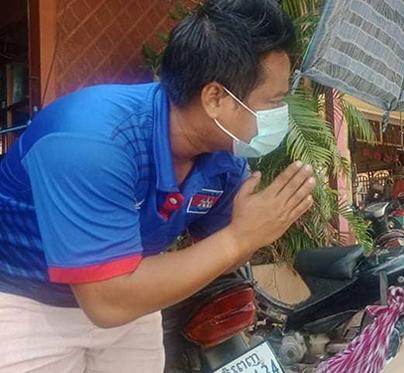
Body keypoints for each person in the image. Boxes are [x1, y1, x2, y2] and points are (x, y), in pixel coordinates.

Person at [0, 1, 313, 372]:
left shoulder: (223, 158)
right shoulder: (91, 142)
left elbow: (220, 248)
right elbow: (107, 301)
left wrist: (256, 225)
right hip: (25, 303)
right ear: (215, 98)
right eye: (273, 102)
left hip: (134, 301)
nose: (281, 115)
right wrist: (241, 238)